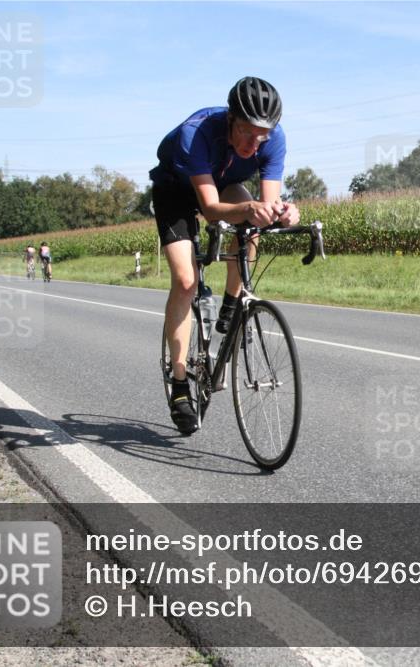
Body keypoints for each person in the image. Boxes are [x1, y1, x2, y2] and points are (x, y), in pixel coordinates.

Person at [149, 76, 300, 434]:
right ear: (231, 119)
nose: (254, 142)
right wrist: (251, 207)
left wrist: (284, 212)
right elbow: (212, 209)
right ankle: (181, 382)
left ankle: (232, 310)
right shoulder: (197, 133)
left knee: (254, 228)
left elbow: (266, 203)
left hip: (223, 186)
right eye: (247, 132)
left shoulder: (272, 139)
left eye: (262, 135)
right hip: (179, 191)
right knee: (186, 280)